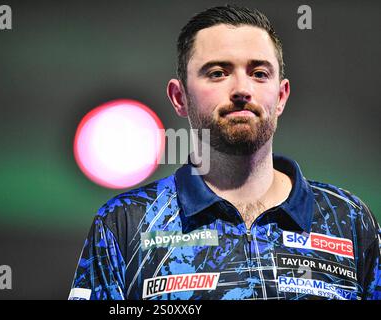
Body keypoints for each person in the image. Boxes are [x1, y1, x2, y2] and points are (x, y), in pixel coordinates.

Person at [68, 5, 380, 300]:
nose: (242, 89)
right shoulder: (125, 224)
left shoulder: (350, 221)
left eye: (259, 73)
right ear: (180, 97)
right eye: (218, 73)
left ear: (281, 96)